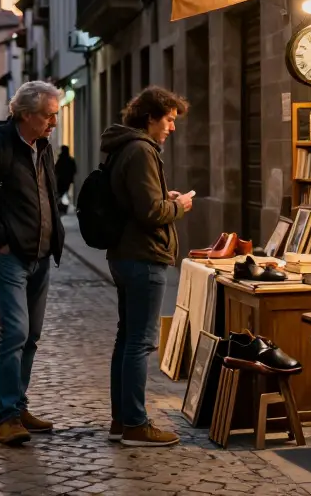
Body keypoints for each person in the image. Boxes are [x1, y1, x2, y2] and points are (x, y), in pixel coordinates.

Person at [0, 81, 65, 447]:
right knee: (15, 332)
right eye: (49, 115)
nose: (54, 121)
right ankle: (5, 417)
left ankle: (18, 407)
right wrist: (0, 239)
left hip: (41, 255)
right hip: (11, 257)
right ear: (26, 114)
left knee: (31, 335)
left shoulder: (43, 146)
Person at [100, 86, 193, 447]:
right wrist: (179, 206)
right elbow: (150, 212)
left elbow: (139, 200)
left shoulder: (125, 147)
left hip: (126, 253)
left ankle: (121, 420)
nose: (172, 127)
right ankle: (136, 424)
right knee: (139, 342)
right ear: (150, 118)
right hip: (143, 255)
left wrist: (162, 198)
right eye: (168, 120)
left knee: (126, 340)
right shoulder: (140, 150)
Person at [54, 145, 76, 214]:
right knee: (64, 194)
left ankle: (61, 208)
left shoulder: (60, 159)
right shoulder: (70, 160)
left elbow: (56, 169)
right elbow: (74, 170)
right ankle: (63, 208)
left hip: (61, 180)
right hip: (67, 181)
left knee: (60, 194)